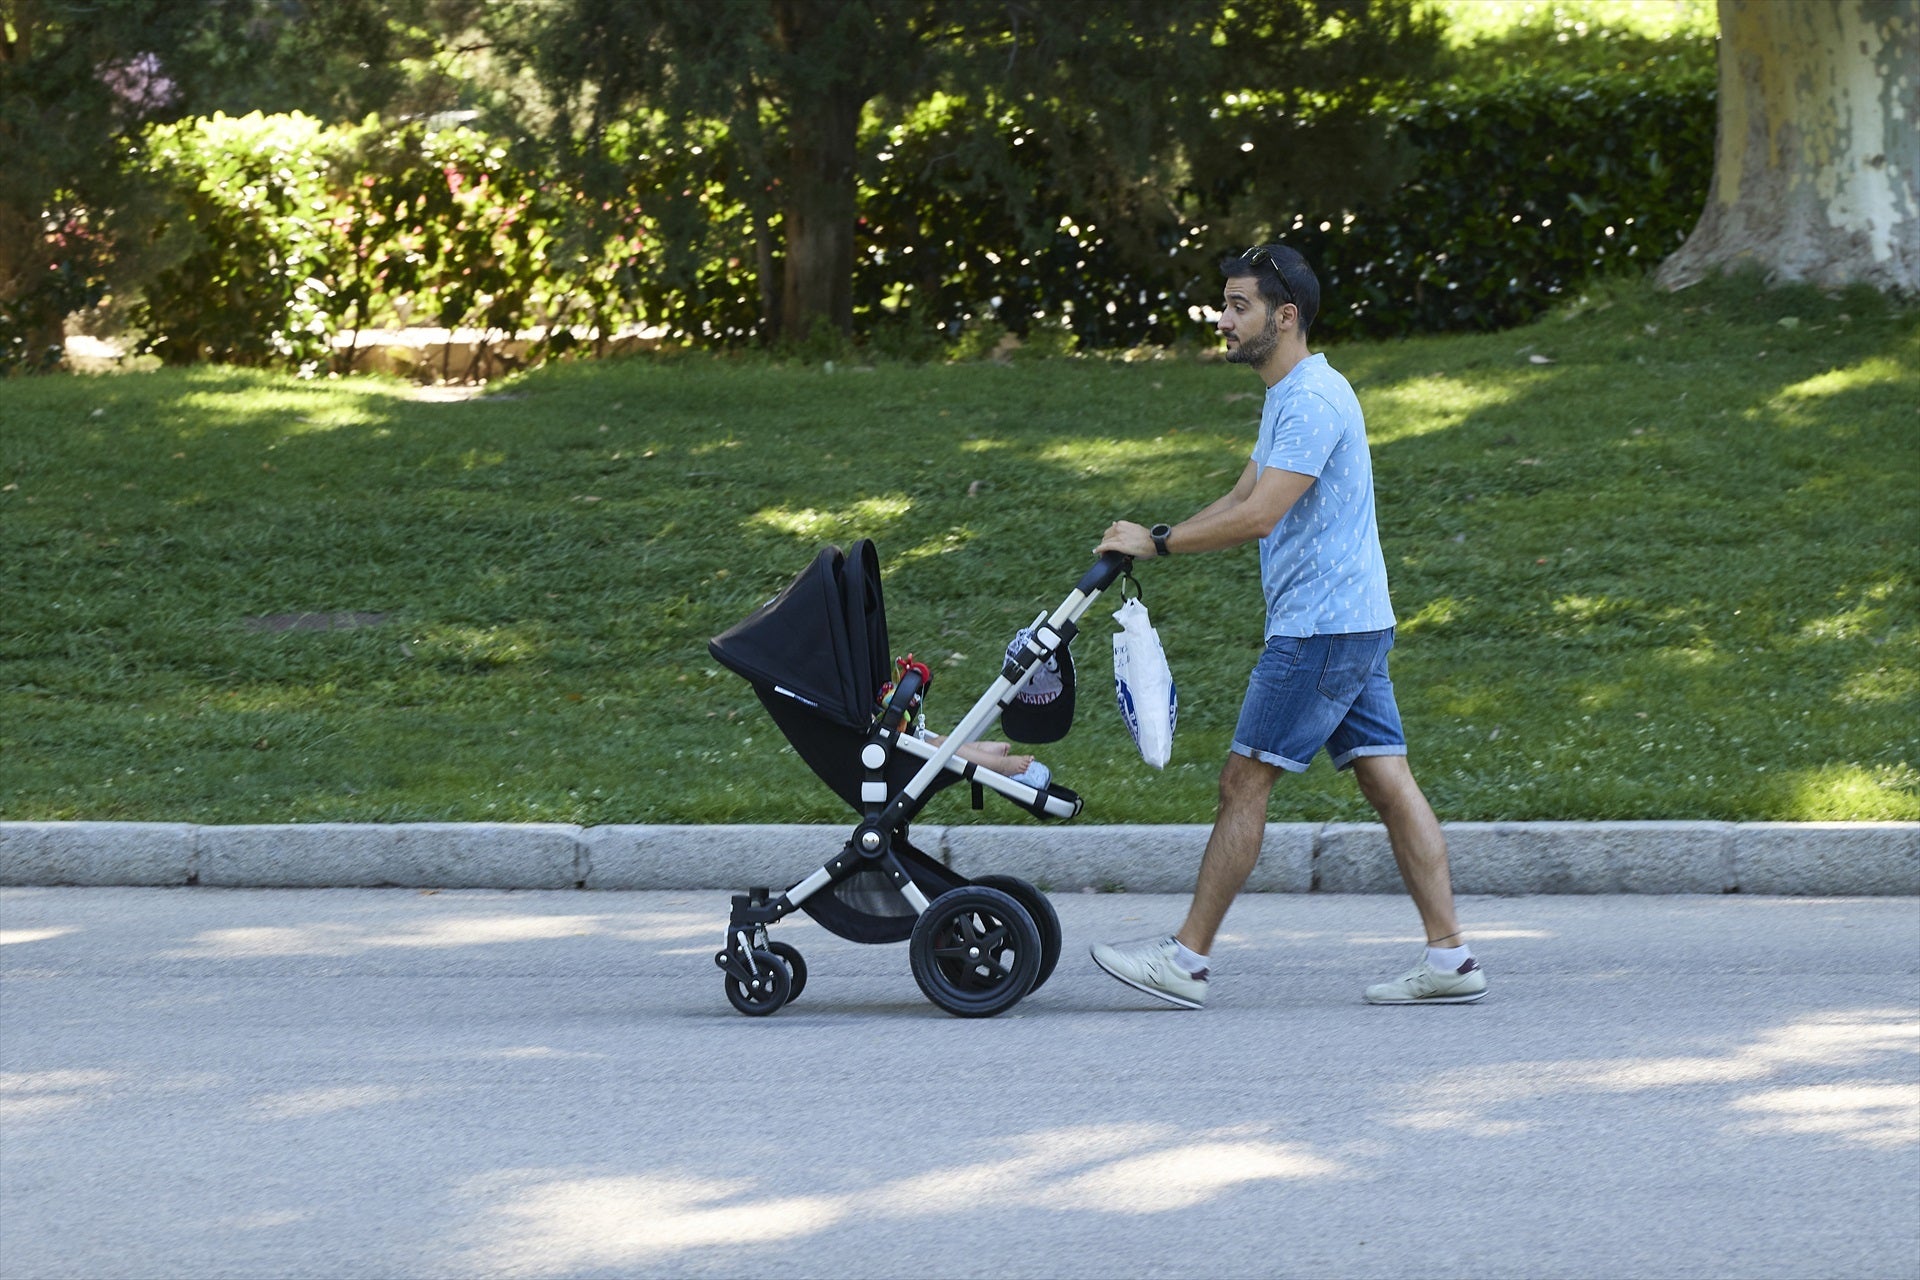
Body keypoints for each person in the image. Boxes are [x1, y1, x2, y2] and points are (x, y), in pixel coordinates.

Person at [1089, 244, 1485, 1009]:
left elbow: (1261, 518)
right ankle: (1450, 960)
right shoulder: (1294, 395)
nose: (1224, 320)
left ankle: (1186, 961)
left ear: (1286, 316)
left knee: (1244, 780)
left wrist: (1159, 543)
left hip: (1321, 629)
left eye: (1239, 306)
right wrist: (1155, 537)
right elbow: (1243, 493)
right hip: (1352, 621)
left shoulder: (1311, 401)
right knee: (1388, 780)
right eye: (1225, 304)